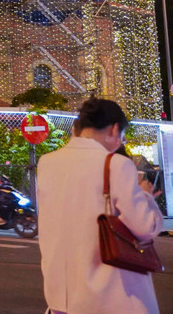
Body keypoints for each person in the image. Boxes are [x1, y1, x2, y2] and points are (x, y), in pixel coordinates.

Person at [38, 97, 163, 314]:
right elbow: (146, 228)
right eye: (122, 136)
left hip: (61, 298)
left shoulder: (47, 162)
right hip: (109, 296)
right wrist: (145, 195)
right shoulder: (116, 164)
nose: (120, 142)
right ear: (114, 129)